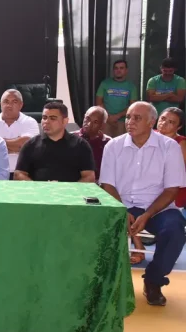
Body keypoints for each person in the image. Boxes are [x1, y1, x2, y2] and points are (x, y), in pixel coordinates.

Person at [99, 101, 186, 306]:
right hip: (121, 203)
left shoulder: (169, 147)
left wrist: (147, 214)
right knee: (98, 226)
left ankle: (154, 280)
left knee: (175, 230)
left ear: (151, 122)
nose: (130, 122)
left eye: (137, 118)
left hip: (158, 207)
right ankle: (106, 283)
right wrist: (122, 210)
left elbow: (172, 189)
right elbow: (107, 184)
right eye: (128, 117)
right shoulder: (114, 145)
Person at [14, 102, 96, 182]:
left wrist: (67, 190)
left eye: (53, 118)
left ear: (65, 121)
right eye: (44, 117)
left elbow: (89, 177)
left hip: (70, 194)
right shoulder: (31, 145)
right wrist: (39, 188)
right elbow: (19, 174)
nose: (46, 122)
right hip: (39, 194)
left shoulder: (81, 145)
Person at [0, 89, 40, 176]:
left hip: (24, 172)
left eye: (14, 102)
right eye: (6, 101)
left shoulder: (30, 122)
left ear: (21, 105)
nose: (9, 105)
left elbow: (27, 147)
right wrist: (17, 144)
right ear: (1, 104)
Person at [96, 59, 138, 137]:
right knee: (105, 145)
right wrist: (108, 117)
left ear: (126, 70)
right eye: (116, 68)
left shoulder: (131, 86)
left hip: (123, 122)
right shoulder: (105, 83)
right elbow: (99, 102)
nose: (118, 70)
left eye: (121, 68)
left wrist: (116, 116)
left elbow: (132, 107)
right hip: (106, 121)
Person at [156, 107, 186, 209]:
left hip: (173, 190)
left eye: (171, 122)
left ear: (179, 127)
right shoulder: (149, 134)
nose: (164, 123)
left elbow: (177, 173)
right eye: (162, 118)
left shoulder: (181, 143)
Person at [73, 106, 111, 179]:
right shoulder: (71, 138)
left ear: (102, 125)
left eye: (95, 122)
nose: (89, 124)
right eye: (87, 119)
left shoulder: (108, 142)